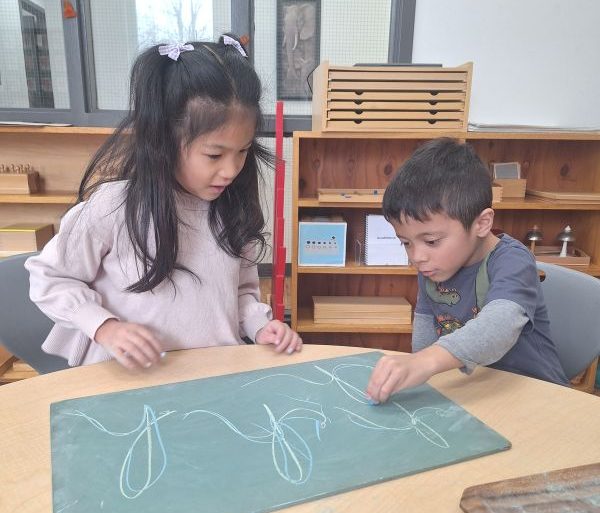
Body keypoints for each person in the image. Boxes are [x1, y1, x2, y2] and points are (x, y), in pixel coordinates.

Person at [26, 35, 302, 371]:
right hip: (127, 382)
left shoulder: (232, 209)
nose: (231, 170)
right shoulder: (115, 208)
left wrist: (260, 326)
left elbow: (240, 294)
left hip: (208, 380)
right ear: (164, 141)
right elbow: (49, 278)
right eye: (214, 154)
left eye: (242, 151)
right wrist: (105, 327)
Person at [366, 138, 569, 403]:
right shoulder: (435, 266)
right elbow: (426, 331)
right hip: (477, 391)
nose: (417, 256)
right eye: (406, 242)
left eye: (431, 241)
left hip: (535, 395)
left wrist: (425, 362)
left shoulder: (512, 260)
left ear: (482, 223)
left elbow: (500, 327)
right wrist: (417, 367)